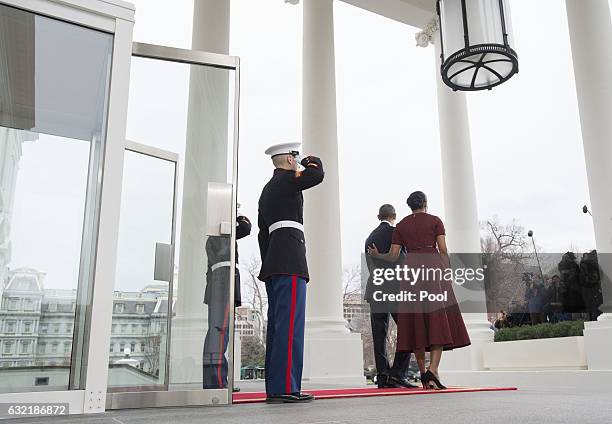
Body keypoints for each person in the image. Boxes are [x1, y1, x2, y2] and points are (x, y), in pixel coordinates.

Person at [368, 191, 470, 390]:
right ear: (425, 203)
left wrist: (377, 255)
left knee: (415, 322)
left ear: (410, 206)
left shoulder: (402, 226)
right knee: (437, 319)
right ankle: (433, 370)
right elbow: (442, 249)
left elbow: (393, 255)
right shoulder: (435, 221)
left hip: (411, 272)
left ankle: (424, 374)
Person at [258, 142, 324, 404]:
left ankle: (277, 387)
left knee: (277, 327)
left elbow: (263, 234)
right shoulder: (286, 180)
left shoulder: (266, 190)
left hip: (275, 260)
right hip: (289, 259)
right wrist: (311, 158)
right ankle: (286, 386)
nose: (298, 162)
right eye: (295, 157)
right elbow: (316, 174)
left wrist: (269, 263)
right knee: (289, 327)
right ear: (288, 158)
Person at [364, 204, 417, 389]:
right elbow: (401, 261)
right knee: (409, 329)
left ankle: (384, 376)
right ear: (394, 216)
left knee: (379, 335)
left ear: (379, 216)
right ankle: (398, 374)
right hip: (395, 289)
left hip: (376, 289)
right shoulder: (397, 233)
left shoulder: (369, 237)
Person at [203, 211, 251, 389]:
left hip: (222, 284)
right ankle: (216, 382)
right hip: (223, 284)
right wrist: (237, 215)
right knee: (220, 333)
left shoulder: (216, 238)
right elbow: (246, 227)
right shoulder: (220, 236)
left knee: (220, 334)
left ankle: (217, 380)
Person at [579, 250, 603, 321]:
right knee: (595, 312)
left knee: (593, 314)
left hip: (590, 296)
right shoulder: (591, 266)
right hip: (594, 295)